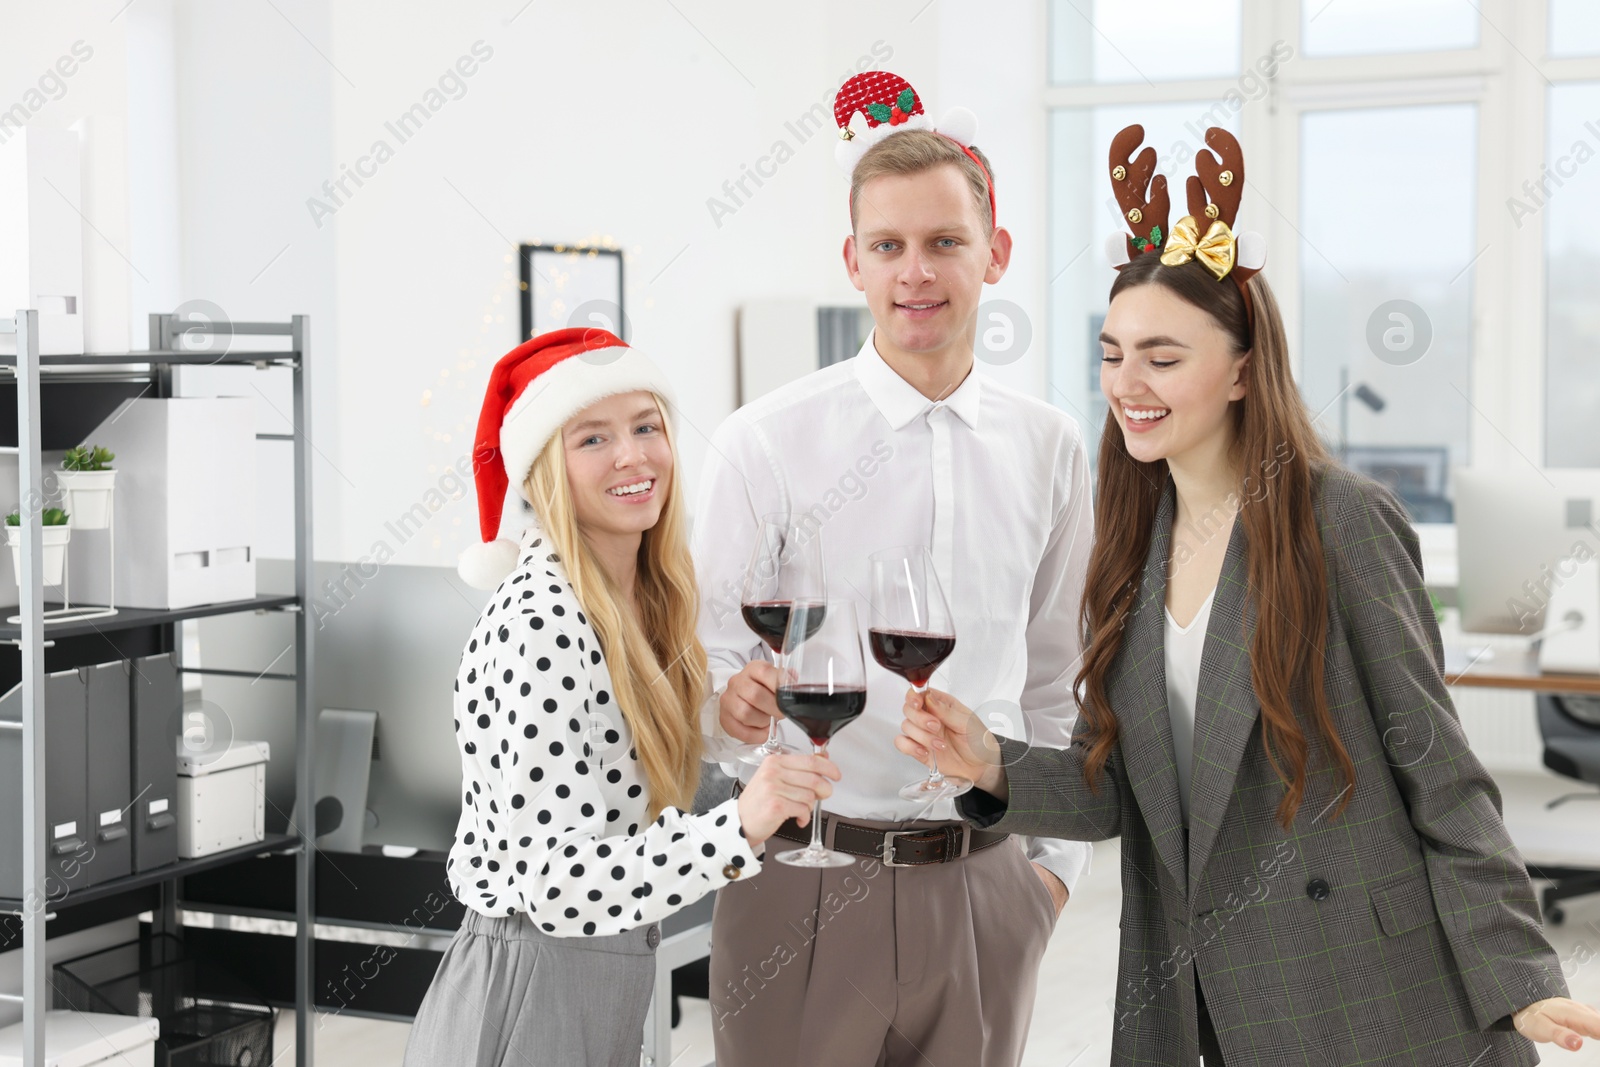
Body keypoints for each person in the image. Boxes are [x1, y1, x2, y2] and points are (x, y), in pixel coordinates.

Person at [897, 127, 1600, 1066]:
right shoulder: (1127, 544)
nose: (1127, 386)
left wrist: (1521, 979)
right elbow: (1122, 790)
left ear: (1238, 368)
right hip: (1204, 997)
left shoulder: (1337, 520)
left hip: (1370, 991)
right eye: (1112, 354)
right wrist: (992, 764)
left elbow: (1440, 770)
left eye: (1162, 356)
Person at [692, 73, 1093, 1067]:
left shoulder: (1051, 445)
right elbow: (702, 658)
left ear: (995, 253)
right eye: (889, 246)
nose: (917, 272)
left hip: (988, 885)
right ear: (853, 262)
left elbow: (1063, 675)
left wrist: (1050, 874)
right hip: (801, 874)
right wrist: (726, 708)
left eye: (945, 242)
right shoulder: (763, 442)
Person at [402, 328, 839, 1067]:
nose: (632, 455)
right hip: (532, 980)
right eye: (592, 438)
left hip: (593, 972)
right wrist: (739, 825)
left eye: (646, 426)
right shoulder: (541, 621)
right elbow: (558, 885)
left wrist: (716, 720)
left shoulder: (633, 598)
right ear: (545, 471)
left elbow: (605, 756)